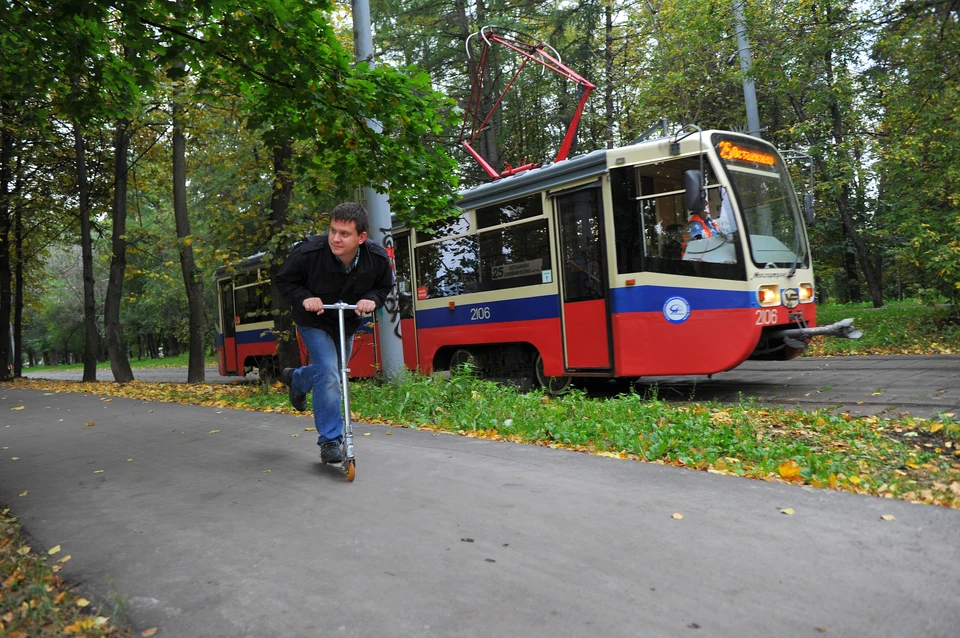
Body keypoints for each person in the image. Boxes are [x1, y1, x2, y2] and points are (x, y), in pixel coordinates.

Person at [274, 203, 394, 463]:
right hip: (312, 319)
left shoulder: (377, 258)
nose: (336, 239)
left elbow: (384, 287)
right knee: (329, 371)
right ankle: (330, 441)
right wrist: (305, 297)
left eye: (344, 234)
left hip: (345, 322)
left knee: (334, 371)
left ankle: (297, 380)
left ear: (361, 238)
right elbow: (285, 281)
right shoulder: (308, 253)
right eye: (332, 231)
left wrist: (371, 299)